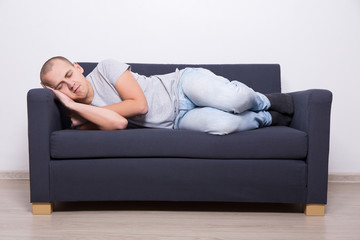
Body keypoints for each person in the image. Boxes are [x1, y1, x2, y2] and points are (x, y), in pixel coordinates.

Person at [40, 56, 293, 135]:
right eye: (60, 86)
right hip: (176, 122)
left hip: (180, 86)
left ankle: (267, 101)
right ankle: (268, 118)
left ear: (77, 67)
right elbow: (119, 122)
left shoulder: (106, 68)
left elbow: (139, 106)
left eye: (68, 75)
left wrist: (86, 120)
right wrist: (76, 109)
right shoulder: (78, 111)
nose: (69, 85)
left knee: (234, 101)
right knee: (225, 124)